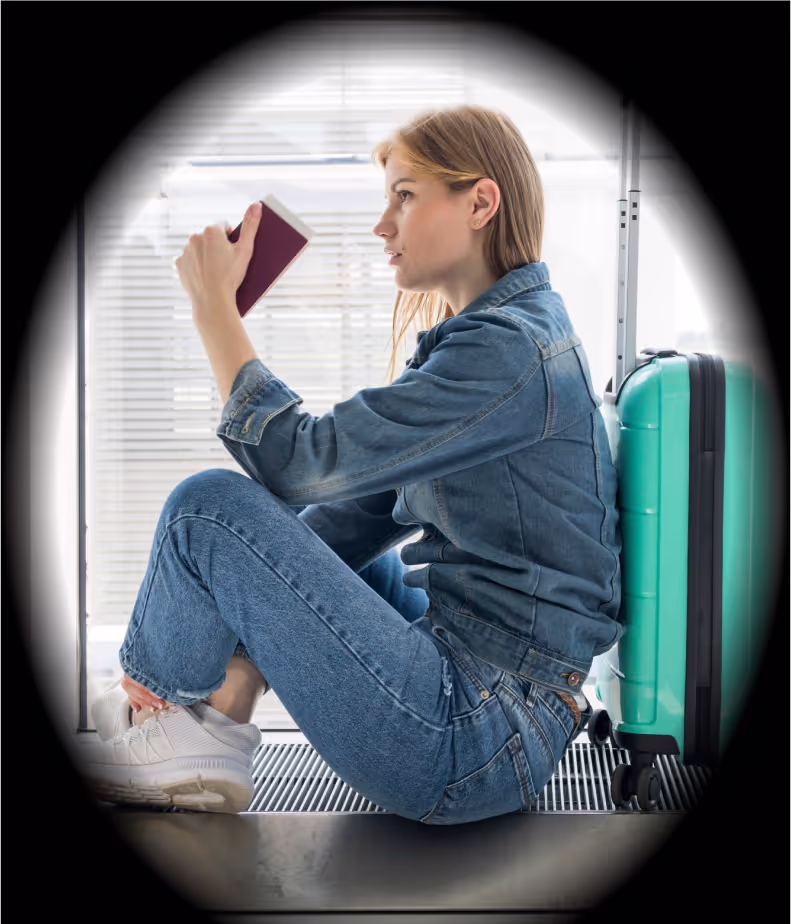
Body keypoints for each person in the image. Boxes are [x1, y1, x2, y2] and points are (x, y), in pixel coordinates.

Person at [80, 105, 623, 822]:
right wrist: (244, 651)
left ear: (480, 203)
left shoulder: (508, 353)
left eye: (404, 195)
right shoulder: (486, 343)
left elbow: (296, 459)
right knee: (313, 536)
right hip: (494, 698)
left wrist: (216, 309)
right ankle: (209, 717)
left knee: (205, 509)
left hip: (478, 734)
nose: (381, 225)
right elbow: (338, 515)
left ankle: (161, 711)